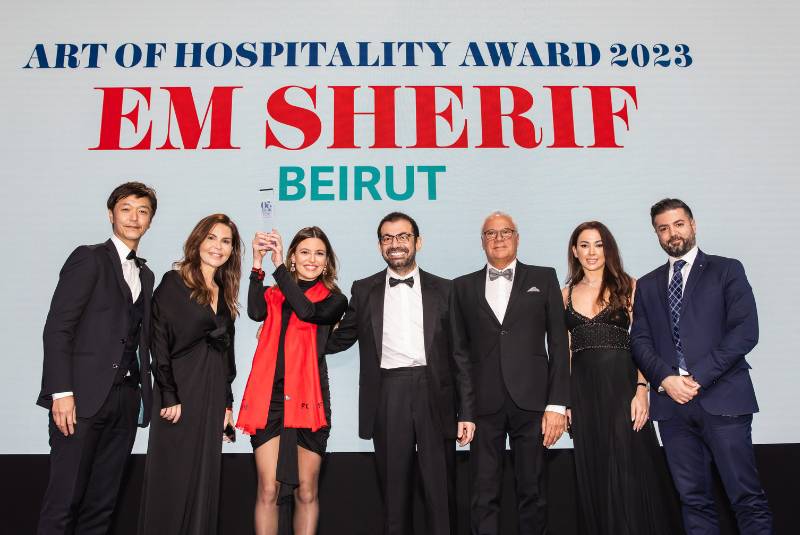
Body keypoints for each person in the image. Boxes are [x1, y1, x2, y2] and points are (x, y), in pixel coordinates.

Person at [326, 212, 475, 535]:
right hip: (388, 393)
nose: (395, 244)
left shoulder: (446, 289)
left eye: (403, 237)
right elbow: (340, 338)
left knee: (441, 493)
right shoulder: (364, 290)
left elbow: (460, 354)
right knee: (394, 496)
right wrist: (286, 333)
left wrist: (467, 411)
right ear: (380, 245)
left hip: (436, 394)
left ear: (418, 242)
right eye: (387, 238)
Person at [631, 198, 773, 534]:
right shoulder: (647, 285)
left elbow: (745, 331)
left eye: (679, 224)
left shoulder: (727, 270)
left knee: (746, 498)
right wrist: (666, 379)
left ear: (693, 225)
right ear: (656, 234)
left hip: (723, 401)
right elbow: (639, 342)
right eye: (663, 228)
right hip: (672, 408)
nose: (672, 233)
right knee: (693, 500)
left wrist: (698, 378)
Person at [37, 182, 157, 535]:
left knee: (101, 506)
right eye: (126, 209)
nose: (134, 218)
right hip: (81, 400)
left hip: (126, 400)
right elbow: (58, 328)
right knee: (64, 502)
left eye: (143, 211)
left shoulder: (146, 274)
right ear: (110, 214)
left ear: (150, 221)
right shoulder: (88, 258)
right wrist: (61, 392)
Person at [451, 211, 569, 535]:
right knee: (482, 494)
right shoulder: (461, 287)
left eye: (505, 232)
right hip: (483, 406)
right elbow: (459, 353)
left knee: (533, 492)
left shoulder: (544, 277)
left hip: (533, 403)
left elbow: (559, 344)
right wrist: (464, 410)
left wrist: (558, 403)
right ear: (482, 242)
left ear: (517, 237)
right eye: (491, 233)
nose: (498, 238)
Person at [562, 221, 682, 535]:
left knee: (629, 468)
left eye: (599, 244)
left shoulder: (630, 287)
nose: (591, 252)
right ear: (575, 251)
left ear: (609, 249)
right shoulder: (564, 295)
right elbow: (566, 353)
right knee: (595, 469)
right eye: (584, 245)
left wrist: (642, 390)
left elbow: (644, 343)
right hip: (583, 394)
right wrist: (566, 402)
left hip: (623, 389)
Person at [237, 227, 348, 535]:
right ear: (293, 258)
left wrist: (279, 268)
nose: (312, 259)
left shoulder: (335, 300)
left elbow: (306, 310)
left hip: (310, 398)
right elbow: (255, 311)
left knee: (307, 491)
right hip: (269, 398)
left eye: (319, 253)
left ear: (326, 262)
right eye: (305, 252)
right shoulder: (274, 294)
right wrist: (257, 264)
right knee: (268, 489)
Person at [138, 214, 242, 535]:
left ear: (232, 250)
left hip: (212, 392)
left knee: (204, 478)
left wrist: (227, 404)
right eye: (211, 238)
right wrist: (168, 393)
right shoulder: (174, 282)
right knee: (172, 477)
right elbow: (157, 341)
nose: (218, 246)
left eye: (226, 241)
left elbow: (226, 353)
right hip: (180, 391)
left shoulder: (224, 290)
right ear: (197, 241)